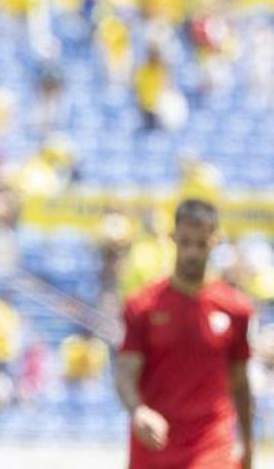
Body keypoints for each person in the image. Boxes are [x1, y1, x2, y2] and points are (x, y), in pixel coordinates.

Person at [115, 199, 256, 469]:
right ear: (173, 238)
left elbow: (240, 382)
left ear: (215, 240)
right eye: (185, 242)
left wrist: (248, 446)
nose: (192, 252)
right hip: (154, 445)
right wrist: (138, 411)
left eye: (201, 244)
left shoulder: (236, 309)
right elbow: (125, 373)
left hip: (212, 445)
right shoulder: (142, 306)